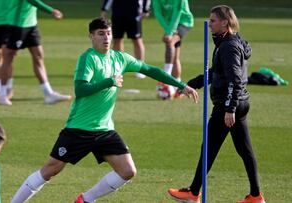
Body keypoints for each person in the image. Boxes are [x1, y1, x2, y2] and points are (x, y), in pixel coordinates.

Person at [10, 17, 198, 203]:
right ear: (91, 36)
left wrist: (180, 85)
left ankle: (85, 200)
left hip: (105, 130)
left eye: (108, 33)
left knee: (127, 171)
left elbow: (150, 70)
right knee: (50, 170)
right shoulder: (88, 58)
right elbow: (80, 90)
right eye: (101, 34)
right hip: (79, 129)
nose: (106, 38)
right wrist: (109, 81)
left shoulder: (120, 58)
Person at [167, 5, 266, 203]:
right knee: (244, 151)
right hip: (240, 104)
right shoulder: (228, 42)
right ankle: (256, 196)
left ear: (224, 22)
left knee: (209, 148)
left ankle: (193, 193)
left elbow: (234, 80)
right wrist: (191, 84)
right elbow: (216, 72)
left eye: (213, 20)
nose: (209, 24)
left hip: (228, 106)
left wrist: (229, 109)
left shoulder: (228, 46)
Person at [0, 0, 72, 105]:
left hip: (31, 24)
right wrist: (51, 11)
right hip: (16, 24)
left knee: (38, 56)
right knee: (9, 58)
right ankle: (2, 95)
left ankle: (48, 94)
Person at [152, 0, 194, 98]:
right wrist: (168, 30)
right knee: (175, 58)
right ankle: (178, 89)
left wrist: (170, 32)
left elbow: (177, 12)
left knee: (170, 42)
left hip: (184, 22)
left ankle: (166, 76)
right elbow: (158, 13)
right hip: (170, 24)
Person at [101, 0, 151, 78]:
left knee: (137, 39)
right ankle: (118, 67)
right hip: (118, 11)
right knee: (117, 39)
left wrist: (145, 9)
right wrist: (104, 9)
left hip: (134, 11)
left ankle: (141, 68)